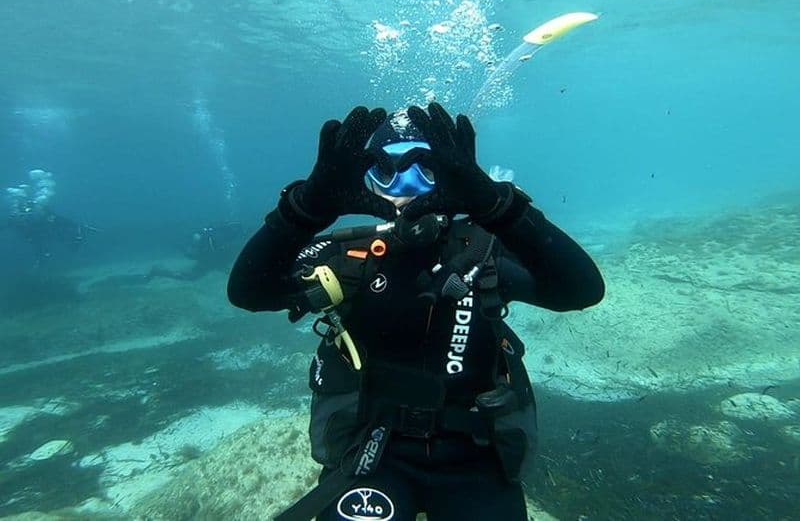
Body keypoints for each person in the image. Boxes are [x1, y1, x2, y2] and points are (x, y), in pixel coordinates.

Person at [227, 103, 605, 520]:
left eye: (424, 168)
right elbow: (248, 292)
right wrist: (304, 209)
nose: (406, 187)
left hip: (476, 458)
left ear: (449, 172)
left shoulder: (484, 254)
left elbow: (581, 290)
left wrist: (498, 206)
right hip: (372, 452)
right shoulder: (349, 258)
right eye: (387, 171)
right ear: (370, 181)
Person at [3, 169, 93, 267]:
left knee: (58, 232)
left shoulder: (35, 212)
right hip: (38, 232)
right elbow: (6, 225)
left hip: (43, 228)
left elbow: (55, 219)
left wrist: (41, 213)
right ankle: (45, 258)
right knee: (49, 239)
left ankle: (79, 232)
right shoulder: (15, 217)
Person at [146, 222, 244, 281]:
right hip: (207, 258)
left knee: (191, 267)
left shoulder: (224, 239)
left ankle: (160, 269)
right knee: (191, 277)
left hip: (207, 256)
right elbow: (215, 258)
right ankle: (159, 271)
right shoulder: (227, 243)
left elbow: (220, 259)